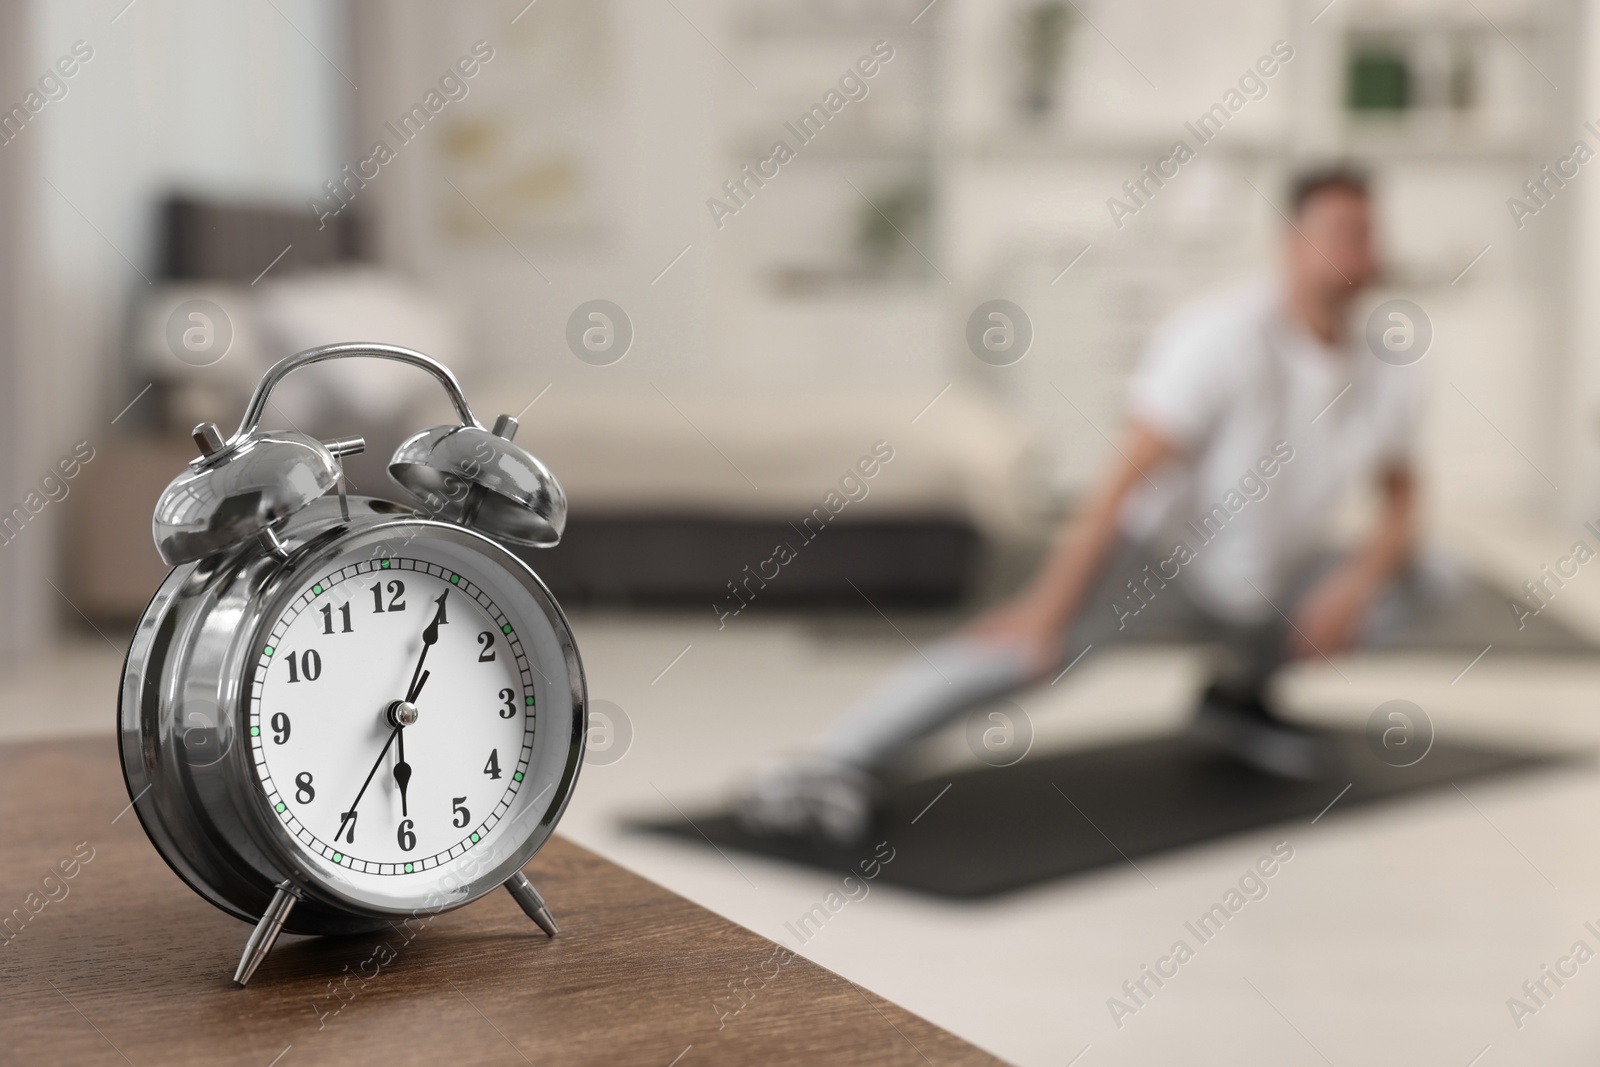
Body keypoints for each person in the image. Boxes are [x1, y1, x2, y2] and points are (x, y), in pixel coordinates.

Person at [739, 165, 1436, 847]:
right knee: (1023, 649)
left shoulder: (1388, 359)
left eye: (1370, 232)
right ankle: (828, 762)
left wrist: (1357, 584)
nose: (1360, 249)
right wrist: (1046, 608)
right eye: (1342, 231)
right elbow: (1123, 477)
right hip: (1166, 559)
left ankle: (1237, 696)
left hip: (1275, 579)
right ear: (1291, 242)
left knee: (1434, 577)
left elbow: (1403, 497)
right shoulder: (1222, 338)